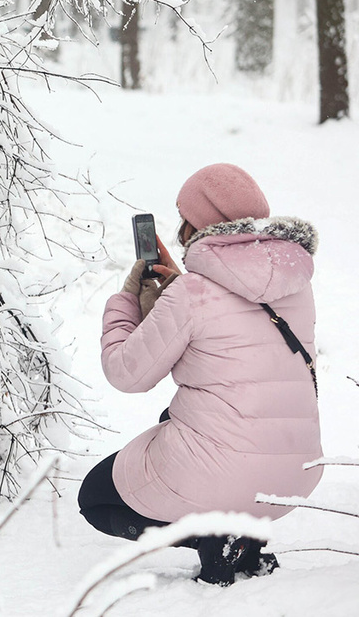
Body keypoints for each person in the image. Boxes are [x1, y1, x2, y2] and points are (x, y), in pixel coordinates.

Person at [78, 163, 323, 585]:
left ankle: (215, 539)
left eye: (183, 217)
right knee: (176, 422)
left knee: (96, 499)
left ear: (199, 223)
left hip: (221, 473)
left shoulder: (193, 294)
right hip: (294, 476)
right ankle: (246, 537)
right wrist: (176, 293)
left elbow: (126, 374)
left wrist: (126, 302)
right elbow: (234, 330)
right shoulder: (296, 285)